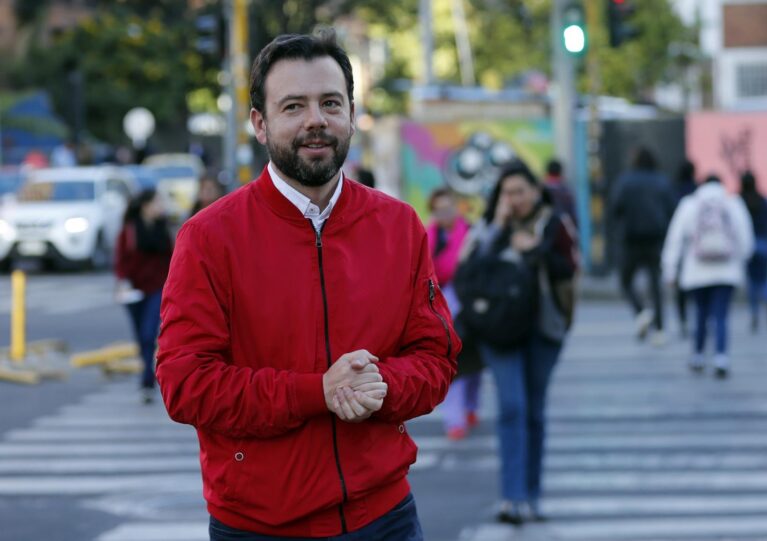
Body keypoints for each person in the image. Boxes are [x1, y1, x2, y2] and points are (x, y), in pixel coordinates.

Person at [155, 30, 460, 540]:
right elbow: (186, 384)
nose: (315, 120)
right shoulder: (208, 237)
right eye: (293, 106)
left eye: (330, 103)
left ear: (351, 115)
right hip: (257, 525)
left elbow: (437, 356)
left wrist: (381, 387)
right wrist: (316, 392)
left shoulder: (400, 225)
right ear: (260, 123)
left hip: (384, 517)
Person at [460, 160, 577, 525]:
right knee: (511, 408)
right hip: (500, 330)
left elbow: (569, 268)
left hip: (543, 331)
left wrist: (534, 249)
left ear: (535, 190)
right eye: (508, 192)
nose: (515, 199)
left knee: (535, 413)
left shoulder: (554, 223)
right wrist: (497, 226)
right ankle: (512, 498)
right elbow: (468, 269)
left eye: (520, 191)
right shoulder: (489, 226)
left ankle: (533, 496)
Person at [662, 174, 754, 378]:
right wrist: (743, 260)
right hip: (727, 271)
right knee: (721, 315)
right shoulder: (732, 203)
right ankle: (721, 356)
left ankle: (698, 355)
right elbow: (745, 237)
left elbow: (675, 238)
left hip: (696, 271)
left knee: (700, 313)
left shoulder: (689, 204)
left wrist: (670, 269)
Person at [426, 188, 481, 441]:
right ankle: (455, 419)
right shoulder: (429, 236)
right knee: (454, 363)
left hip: (470, 303)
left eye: (449, 208)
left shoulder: (470, 232)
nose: (445, 213)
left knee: (475, 363)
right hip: (443, 306)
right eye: (439, 209)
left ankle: (470, 406)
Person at [610, 147, 677, 345]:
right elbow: (672, 208)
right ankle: (660, 329)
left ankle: (641, 311)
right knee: (656, 283)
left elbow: (616, 208)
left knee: (625, 280)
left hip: (631, 238)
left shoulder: (625, 181)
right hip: (656, 238)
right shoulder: (662, 181)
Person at [114, 189, 173, 404]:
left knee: (149, 334)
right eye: (157, 202)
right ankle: (147, 376)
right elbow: (120, 260)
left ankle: (147, 380)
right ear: (145, 206)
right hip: (133, 291)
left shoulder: (162, 228)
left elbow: (171, 258)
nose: (161, 206)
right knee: (141, 337)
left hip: (157, 288)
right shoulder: (129, 230)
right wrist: (122, 282)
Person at [739, 170, 767, 332]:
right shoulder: (764, 200)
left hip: (747, 245)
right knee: (764, 279)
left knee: (751, 281)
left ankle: (754, 313)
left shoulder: (739, 201)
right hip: (764, 243)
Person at [672, 161, 697, 338]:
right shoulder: (697, 189)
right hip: (697, 245)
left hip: (681, 245)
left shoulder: (673, 190)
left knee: (680, 287)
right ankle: (699, 319)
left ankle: (683, 320)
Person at [544, 158, 578, 227]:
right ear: (560, 172)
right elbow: (573, 213)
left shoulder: (542, 189)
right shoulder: (566, 190)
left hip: (547, 226)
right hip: (564, 226)